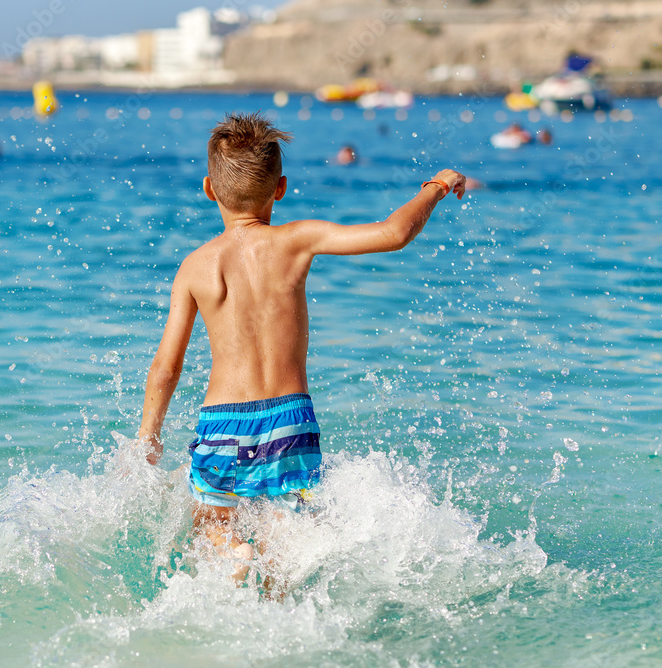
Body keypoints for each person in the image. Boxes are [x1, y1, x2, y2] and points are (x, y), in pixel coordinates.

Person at [136, 112, 465, 593]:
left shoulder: (195, 267)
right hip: (291, 421)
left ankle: (232, 554)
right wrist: (437, 185)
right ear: (281, 188)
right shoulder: (297, 240)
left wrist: (149, 435)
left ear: (209, 188)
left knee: (211, 531)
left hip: (222, 421)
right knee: (283, 553)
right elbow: (394, 234)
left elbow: (167, 368)